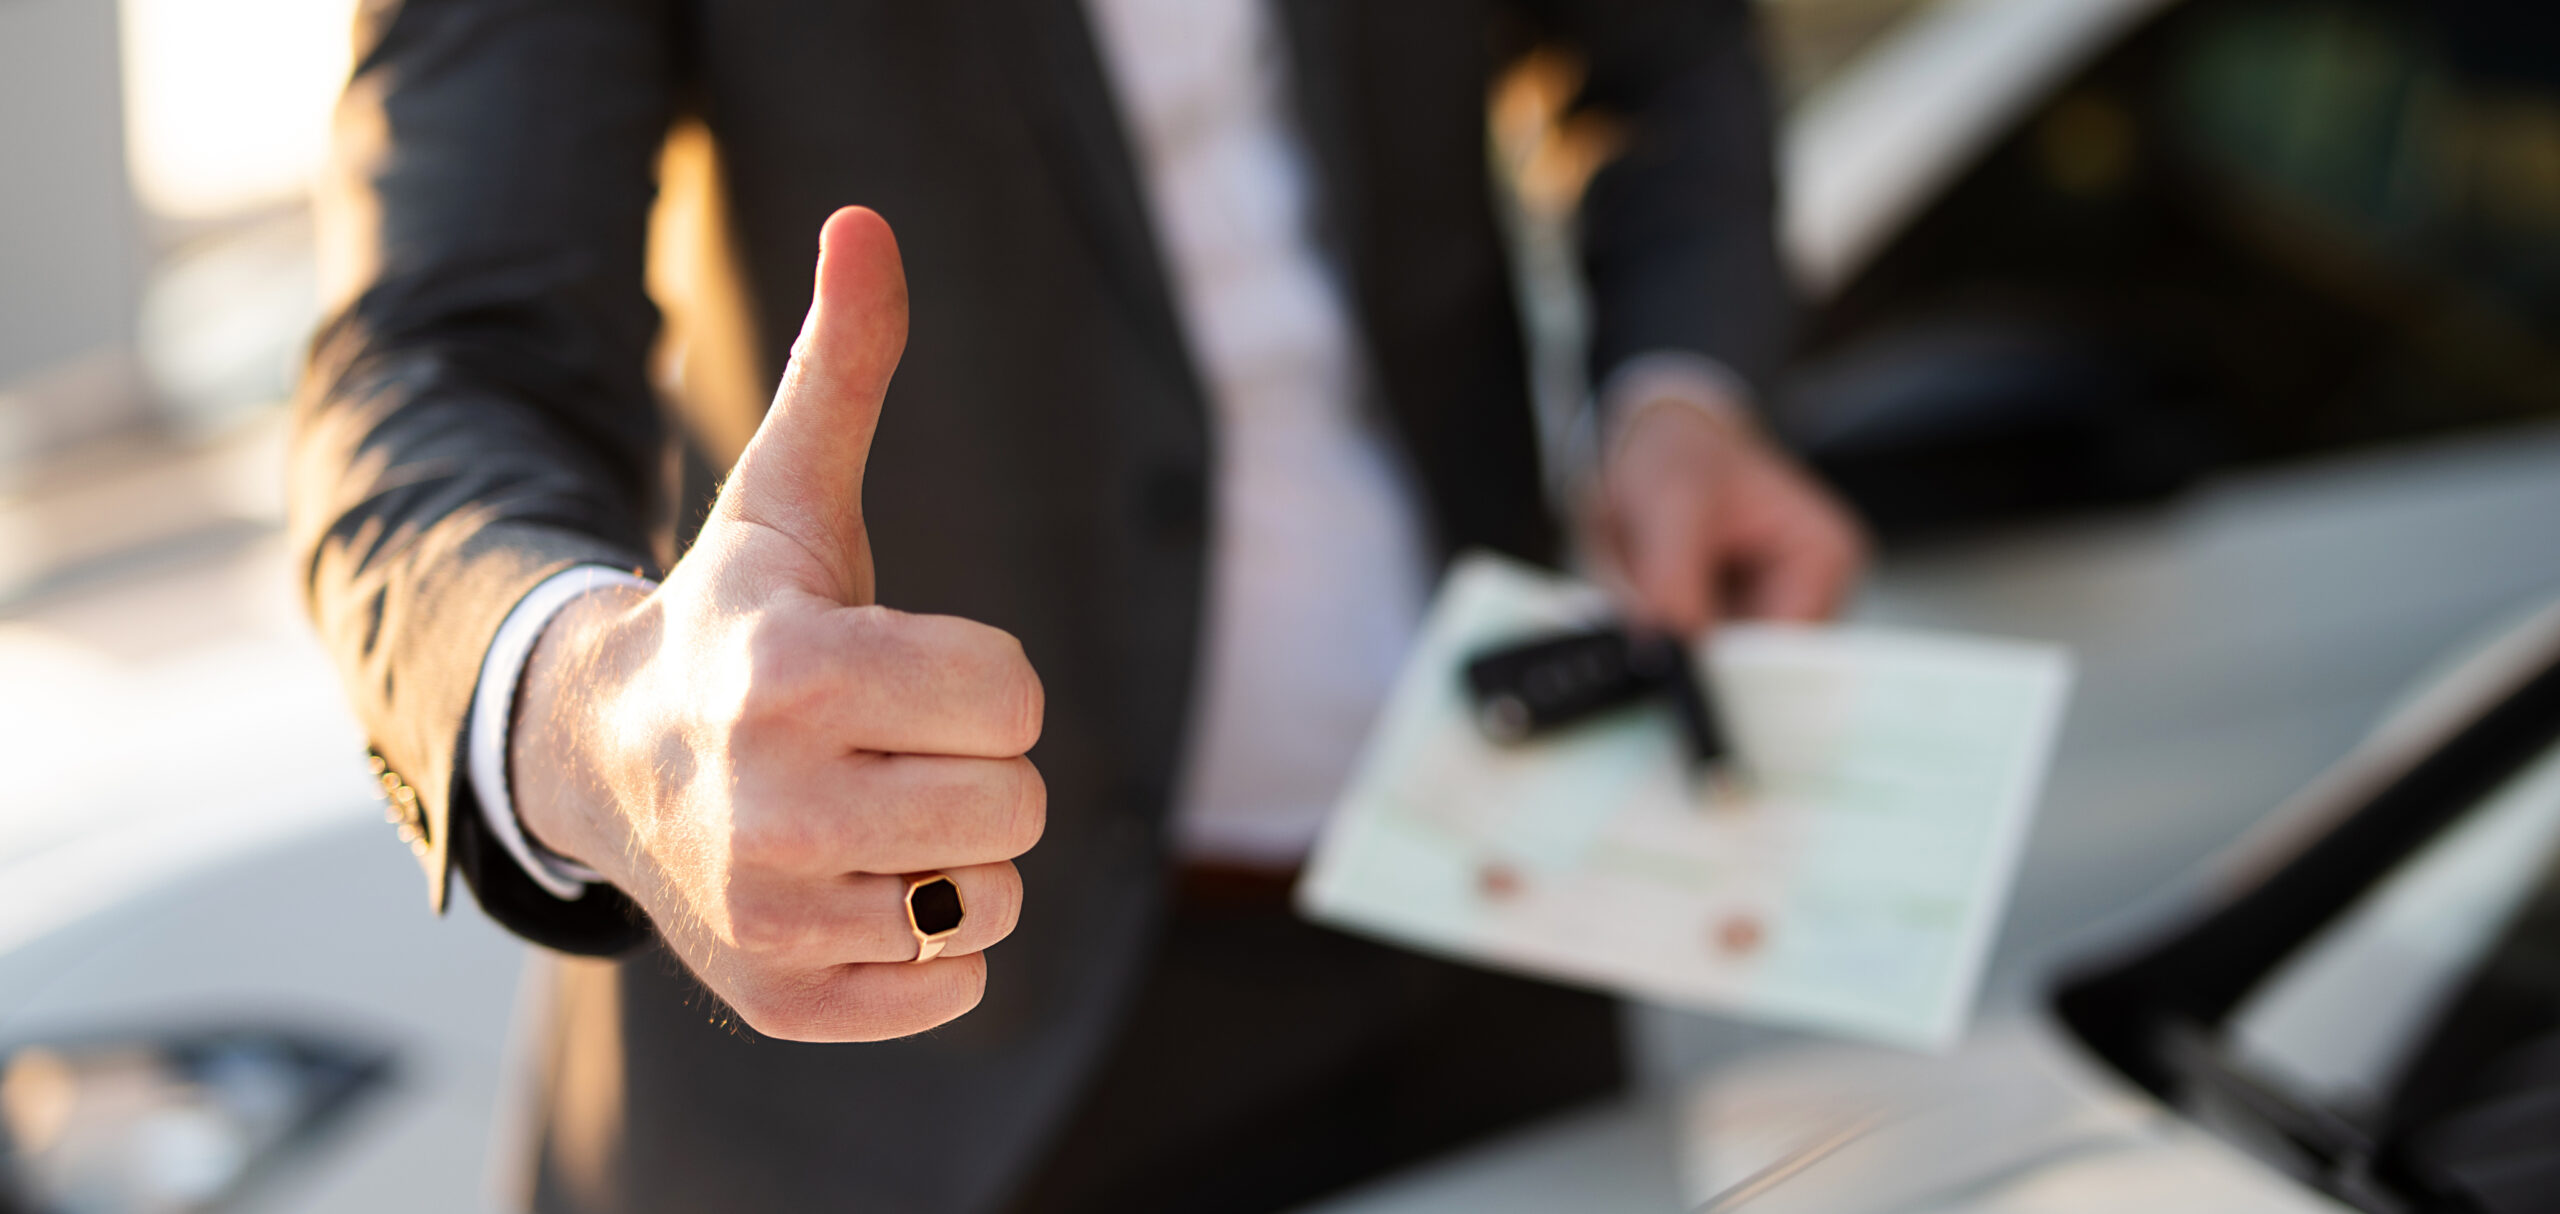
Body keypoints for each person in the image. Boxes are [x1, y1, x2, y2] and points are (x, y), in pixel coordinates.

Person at [290, 1, 1867, 1211]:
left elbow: (1670, 61)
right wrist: (599, 713)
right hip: (919, 1073)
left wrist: (1680, 394)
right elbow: (436, 361)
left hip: (1486, 938)